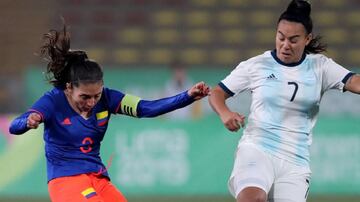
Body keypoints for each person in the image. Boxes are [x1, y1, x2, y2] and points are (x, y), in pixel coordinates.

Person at [9, 25, 210, 202]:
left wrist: (187, 96)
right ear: (69, 88)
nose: (92, 102)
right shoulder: (53, 100)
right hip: (65, 180)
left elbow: (145, 108)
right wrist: (28, 121)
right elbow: (14, 126)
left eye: (96, 95)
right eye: (85, 97)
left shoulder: (108, 98)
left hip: (98, 178)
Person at [208, 1, 360, 202]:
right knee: (252, 199)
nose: (285, 45)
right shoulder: (257, 65)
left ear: (307, 39)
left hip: (295, 162)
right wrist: (225, 113)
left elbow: (354, 82)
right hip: (257, 148)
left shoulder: (320, 67)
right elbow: (217, 92)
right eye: (281, 37)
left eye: (293, 40)